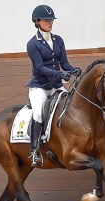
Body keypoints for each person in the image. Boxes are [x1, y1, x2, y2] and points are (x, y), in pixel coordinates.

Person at [26, 5, 81, 166]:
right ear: (37, 21)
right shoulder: (33, 44)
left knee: (70, 108)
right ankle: (35, 151)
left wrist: (73, 69)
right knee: (37, 114)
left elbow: (64, 62)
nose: (50, 22)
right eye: (46, 20)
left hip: (56, 85)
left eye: (51, 20)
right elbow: (40, 67)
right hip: (40, 86)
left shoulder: (58, 40)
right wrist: (59, 74)